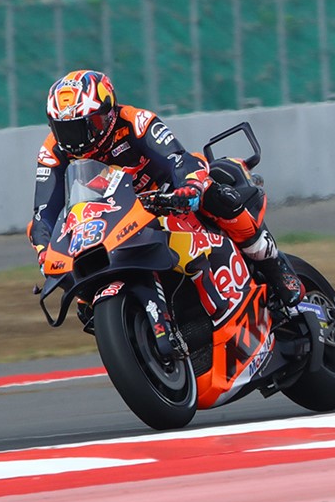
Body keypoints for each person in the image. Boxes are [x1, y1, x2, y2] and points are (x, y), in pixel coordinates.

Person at [28, 69, 304, 318]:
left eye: (86, 125)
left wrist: (189, 187)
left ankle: (273, 264)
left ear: (108, 113)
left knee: (215, 194)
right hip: (113, 222)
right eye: (65, 129)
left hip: (167, 195)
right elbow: (43, 215)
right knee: (83, 305)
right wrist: (45, 253)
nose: (77, 138)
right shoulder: (53, 151)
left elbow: (179, 159)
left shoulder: (136, 121)